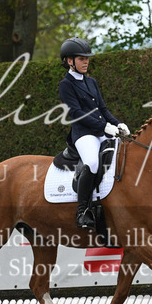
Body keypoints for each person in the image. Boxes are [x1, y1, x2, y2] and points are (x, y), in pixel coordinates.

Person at [58, 37, 130, 231]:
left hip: (101, 130)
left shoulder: (91, 82)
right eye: (81, 59)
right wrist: (104, 127)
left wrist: (118, 123)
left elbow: (103, 109)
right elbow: (76, 113)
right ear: (69, 61)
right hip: (83, 134)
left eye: (87, 58)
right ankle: (82, 212)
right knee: (92, 162)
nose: (86, 62)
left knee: (124, 153)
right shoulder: (66, 85)